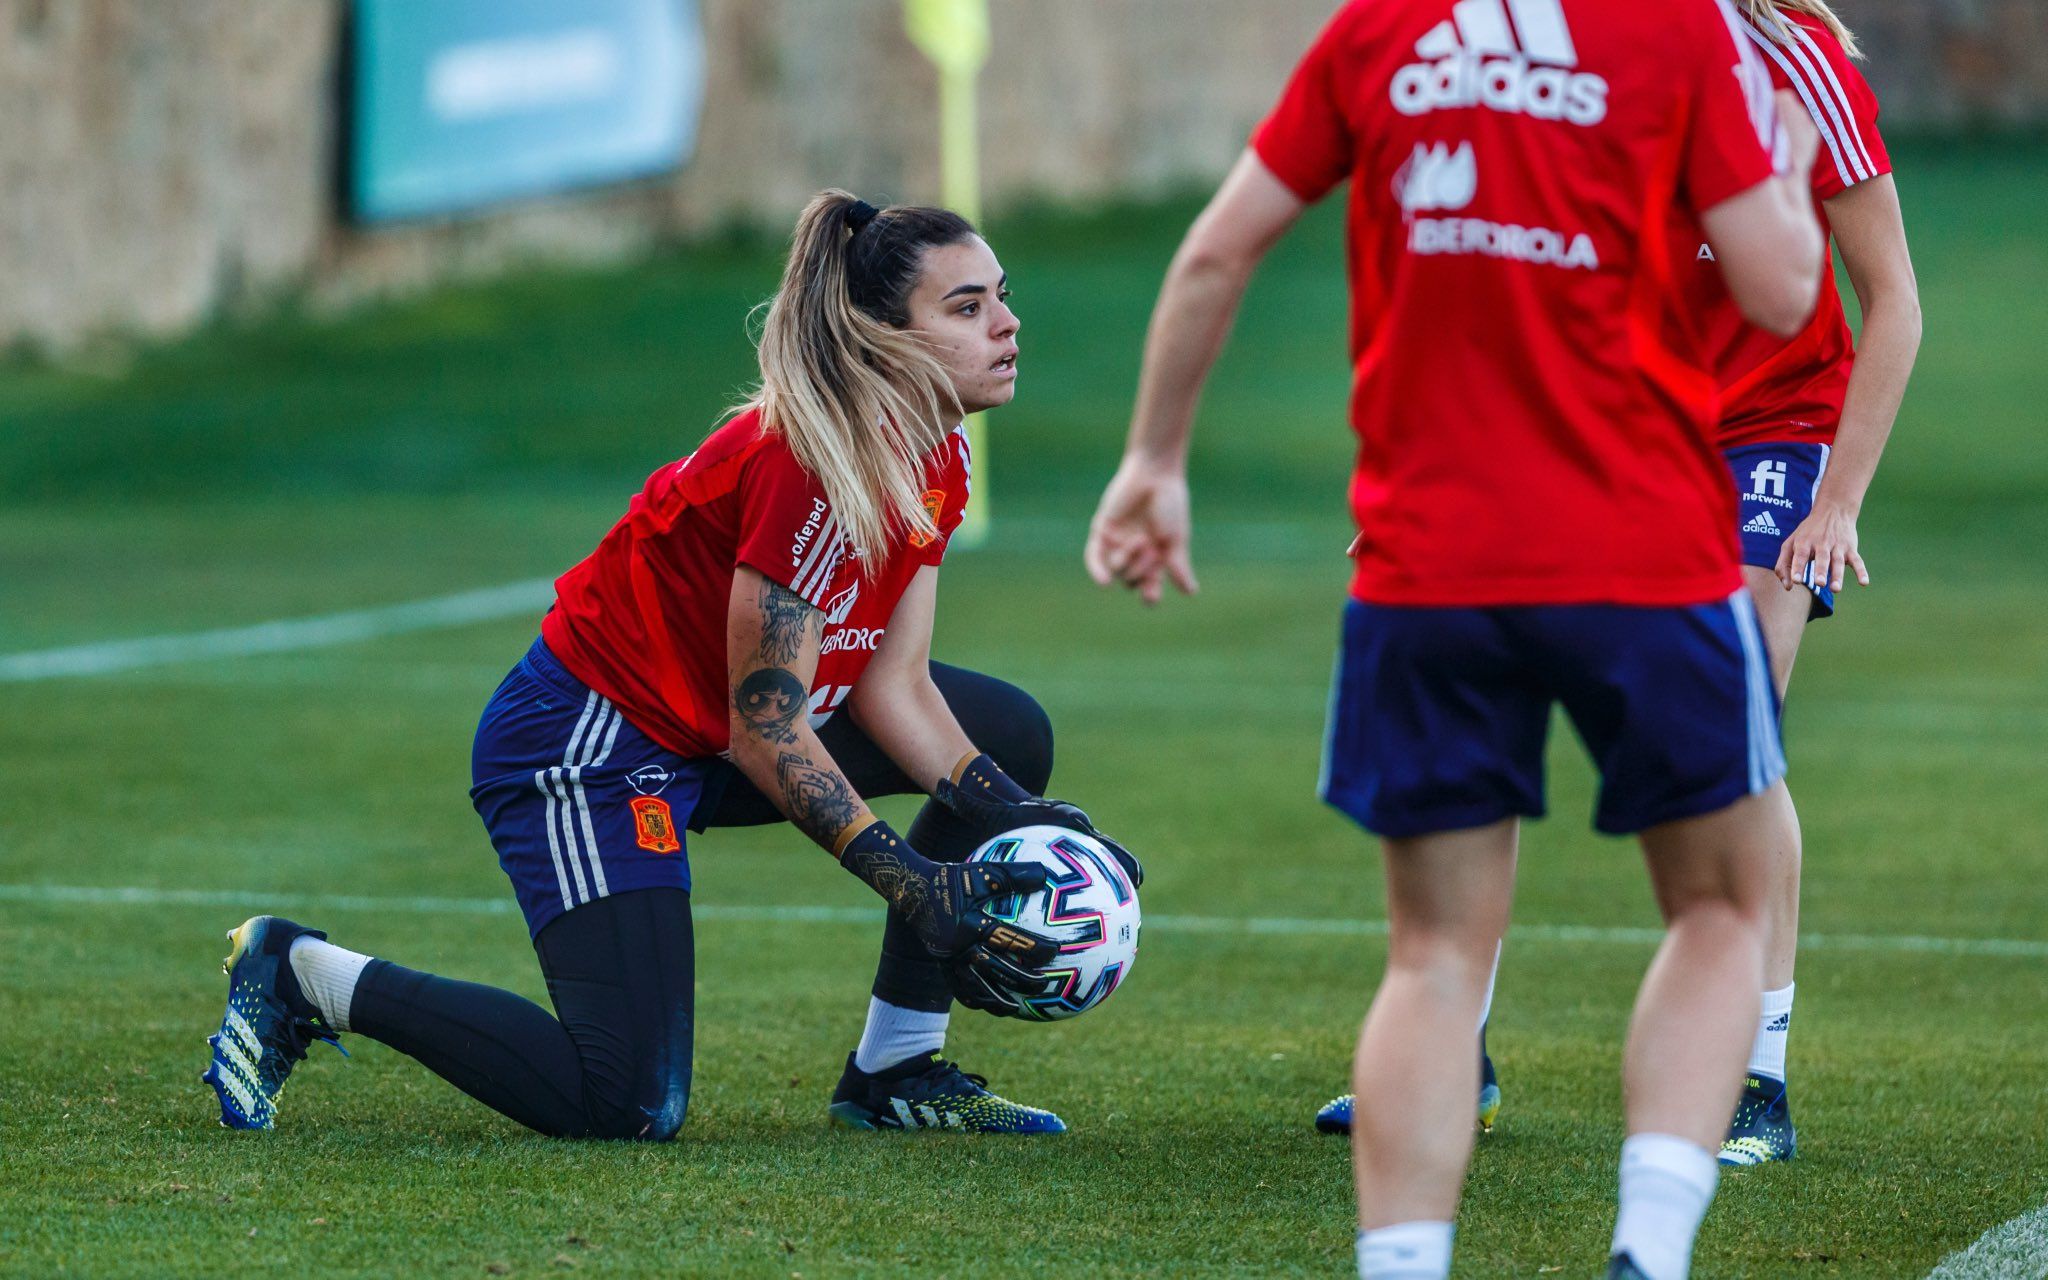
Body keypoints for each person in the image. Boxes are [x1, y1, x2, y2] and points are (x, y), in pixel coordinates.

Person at [1084, 0, 1822, 1274]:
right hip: (1642, 556)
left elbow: (1216, 251)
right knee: (1714, 906)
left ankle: (1403, 1261)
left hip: (1427, 568)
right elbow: (1779, 289)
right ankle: (1647, 1241)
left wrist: (1154, 457)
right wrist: (1788, 171)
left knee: (1428, 953)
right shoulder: (1679, 33)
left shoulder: (1379, 32)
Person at [204, 190, 1139, 1142]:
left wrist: (1014, 810)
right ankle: (302, 974)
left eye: (1002, 297)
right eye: (967, 306)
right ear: (879, 338)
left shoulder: (937, 453)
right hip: (588, 749)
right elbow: (767, 730)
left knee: (1008, 737)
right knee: (628, 1103)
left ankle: (895, 1070)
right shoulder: (805, 468)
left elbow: (893, 685)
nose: (1009, 323)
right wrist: (912, 880)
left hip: (708, 737)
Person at [1308, 0, 1922, 1173]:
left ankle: (1757, 1075)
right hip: (1599, 428)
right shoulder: (1529, 60)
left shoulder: (1787, 61)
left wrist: (1832, 501)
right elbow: (1492, 284)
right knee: (1488, 700)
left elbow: (1890, 297)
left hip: (1768, 432)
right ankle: (1454, 1046)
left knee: (1734, 728)